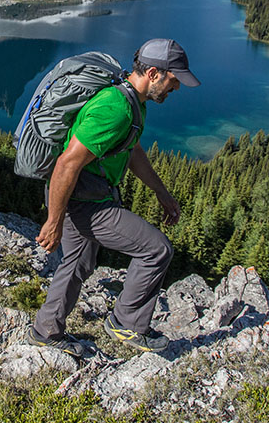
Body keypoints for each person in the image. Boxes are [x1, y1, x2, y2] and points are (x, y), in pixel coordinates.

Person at [29, 38, 199, 355]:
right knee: (156, 249)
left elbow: (131, 150)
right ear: (153, 73)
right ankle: (127, 323)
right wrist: (54, 220)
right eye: (174, 81)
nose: (176, 89)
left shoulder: (133, 103)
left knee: (78, 263)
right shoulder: (116, 108)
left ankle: (46, 330)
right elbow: (67, 163)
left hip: (86, 195)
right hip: (85, 202)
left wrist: (161, 192)